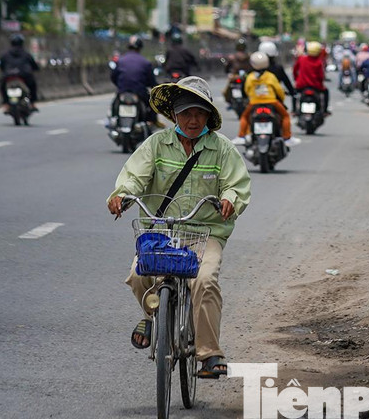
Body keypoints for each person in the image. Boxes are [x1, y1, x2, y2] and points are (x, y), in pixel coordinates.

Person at [106, 76, 251, 380]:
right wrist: (122, 196)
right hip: (161, 231)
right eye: (186, 113)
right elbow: (134, 178)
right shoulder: (156, 144)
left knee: (205, 281)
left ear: (208, 116)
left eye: (199, 113)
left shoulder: (223, 149)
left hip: (205, 234)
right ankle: (151, 315)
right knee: (138, 274)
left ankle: (209, 354)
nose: (193, 120)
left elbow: (236, 185)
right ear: (174, 116)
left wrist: (229, 199)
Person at [240, 51, 292, 141]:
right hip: (271, 101)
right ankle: (287, 136)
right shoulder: (270, 76)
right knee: (285, 116)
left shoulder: (250, 76)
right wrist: (282, 99)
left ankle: (241, 135)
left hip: (254, 102)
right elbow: (279, 90)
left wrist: (251, 98)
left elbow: (247, 89)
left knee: (244, 117)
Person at [111, 35, 156, 116]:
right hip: (140, 92)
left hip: (123, 91)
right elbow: (152, 81)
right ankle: (151, 121)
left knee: (114, 106)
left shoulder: (121, 60)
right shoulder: (145, 62)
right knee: (152, 106)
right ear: (140, 48)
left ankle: (113, 118)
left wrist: (120, 85)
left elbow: (113, 77)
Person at [0, 34, 40, 109]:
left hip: (9, 75)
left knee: (2, 86)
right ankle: (32, 103)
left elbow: (1, 66)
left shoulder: (5, 54)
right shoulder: (26, 54)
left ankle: (6, 104)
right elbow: (34, 65)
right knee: (33, 85)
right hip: (24, 75)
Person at [292, 40, 330, 115]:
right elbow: (321, 76)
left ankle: (294, 110)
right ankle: (325, 111)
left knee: (294, 93)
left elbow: (294, 70)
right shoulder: (318, 62)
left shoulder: (302, 59)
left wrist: (297, 80)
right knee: (326, 92)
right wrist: (321, 84)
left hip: (301, 86)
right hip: (315, 86)